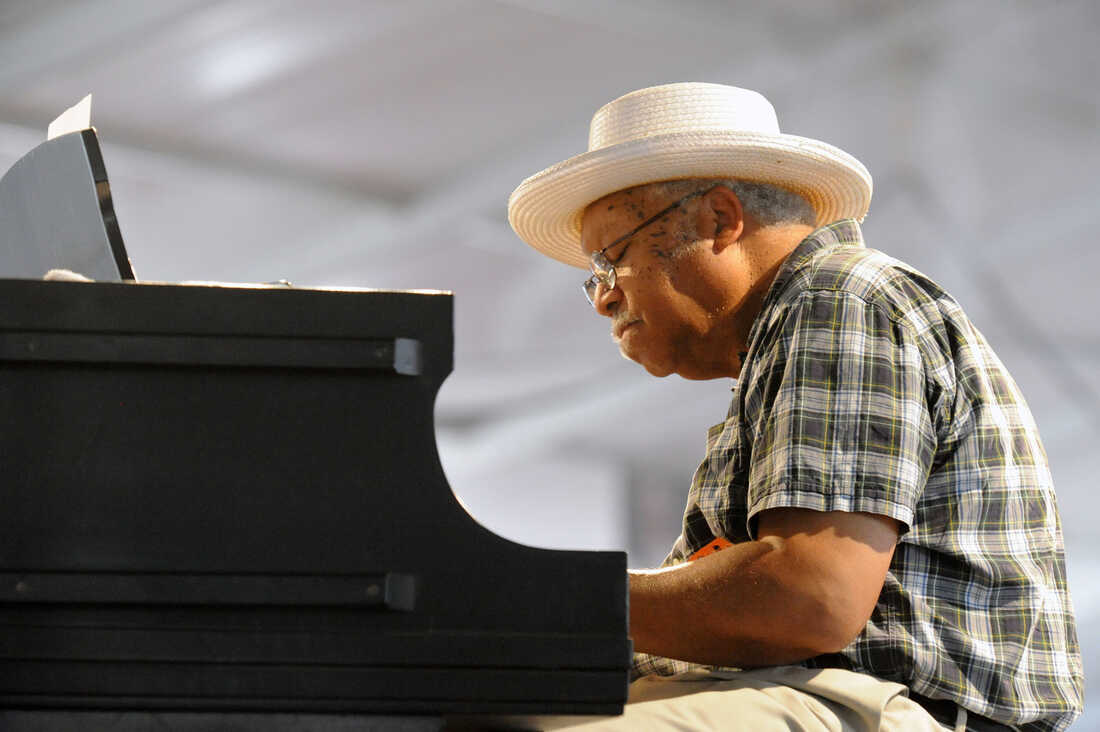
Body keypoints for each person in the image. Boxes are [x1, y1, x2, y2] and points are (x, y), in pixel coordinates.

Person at [507, 83, 1083, 731]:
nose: (603, 300)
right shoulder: (808, 329)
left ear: (719, 220)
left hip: (880, 705)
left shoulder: (840, 297)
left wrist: (539, 599)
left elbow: (809, 600)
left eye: (611, 260)